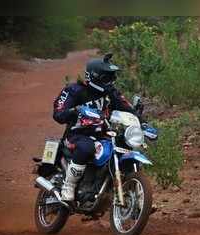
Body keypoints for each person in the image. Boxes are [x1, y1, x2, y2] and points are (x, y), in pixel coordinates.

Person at [53, 53, 139, 204]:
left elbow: (127, 108)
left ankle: (136, 196)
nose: (111, 81)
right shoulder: (74, 90)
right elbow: (58, 114)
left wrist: (142, 122)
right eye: (107, 77)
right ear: (94, 77)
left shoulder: (110, 93)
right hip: (76, 135)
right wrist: (75, 111)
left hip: (103, 135)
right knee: (87, 148)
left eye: (113, 77)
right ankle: (69, 186)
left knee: (126, 146)